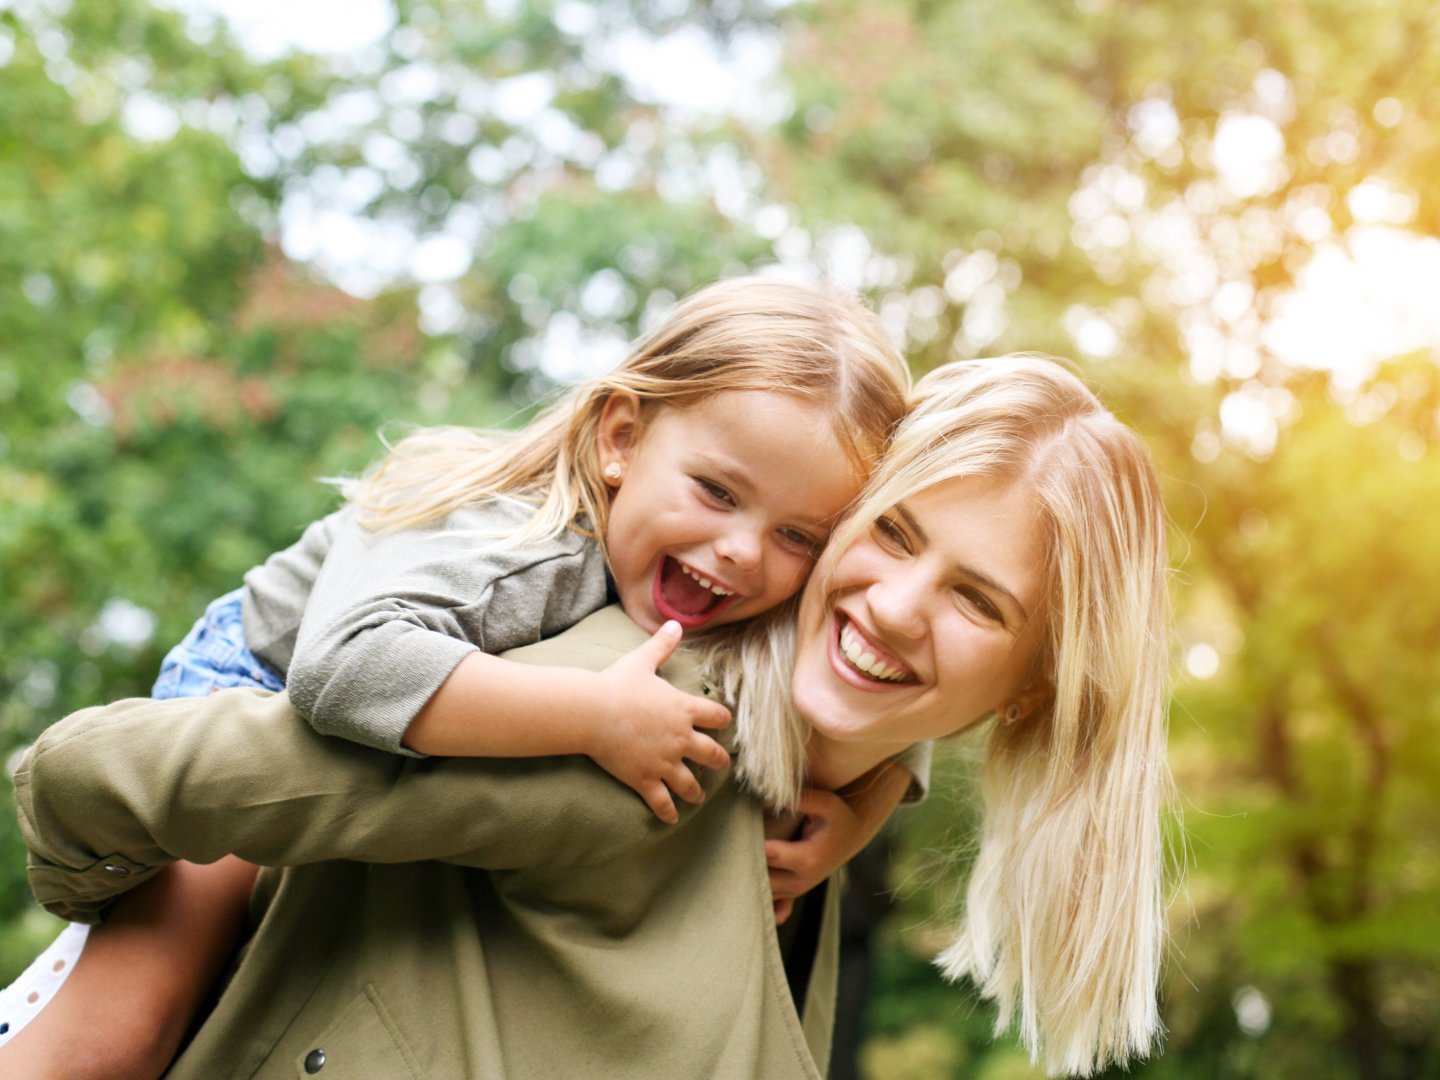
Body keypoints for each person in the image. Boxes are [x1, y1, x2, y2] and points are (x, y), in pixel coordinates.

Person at [11, 355, 1173, 1078]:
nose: (898, 606)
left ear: (1034, 687)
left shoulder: (809, 813)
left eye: (977, 600)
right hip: (277, 662)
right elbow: (103, 771)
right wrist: (102, 886)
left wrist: (873, 797)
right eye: (897, 535)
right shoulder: (640, 725)